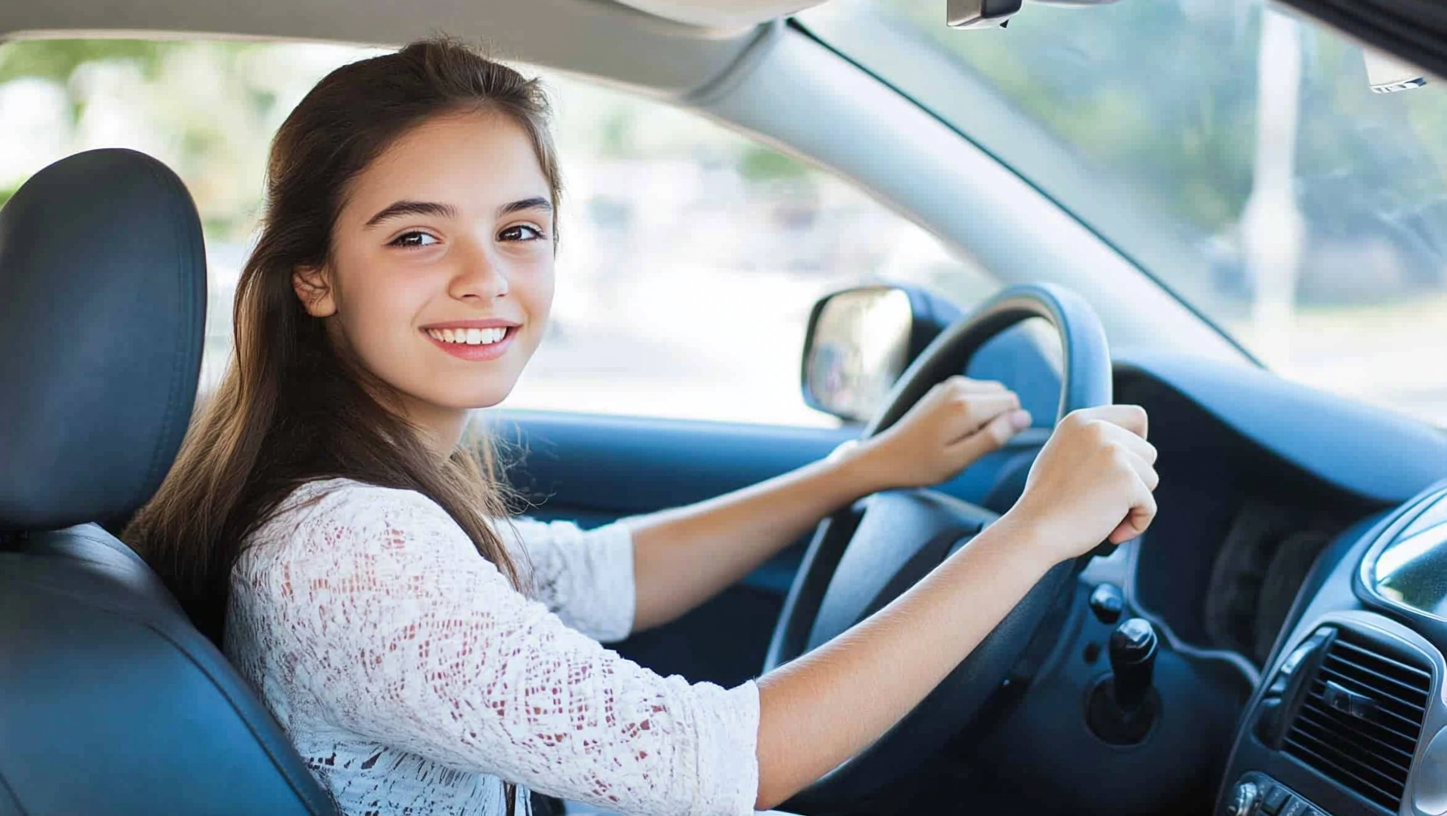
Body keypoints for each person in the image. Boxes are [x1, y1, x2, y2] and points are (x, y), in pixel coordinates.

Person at [126, 37, 1159, 816]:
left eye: (519, 229)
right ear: (313, 276)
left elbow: (598, 576)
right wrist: (1031, 532)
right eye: (415, 235)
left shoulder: (341, 491)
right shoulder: (349, 547)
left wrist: (860, 470)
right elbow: (717, 759)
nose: (485, 278)